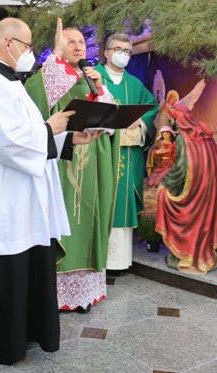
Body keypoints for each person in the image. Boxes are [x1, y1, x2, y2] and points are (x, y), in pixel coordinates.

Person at [0, 17, 100, 365]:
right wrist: (52, 126)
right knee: (5, 269)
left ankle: (22, 334)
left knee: (25, 265)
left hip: (18, 198)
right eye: (29, 46)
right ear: (9, 44)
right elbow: (7, 142)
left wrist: (67, 138)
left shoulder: (8, 81)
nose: (30, 53)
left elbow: (26, 131)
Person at [25, 20, 118, 313]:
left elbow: (111, 120)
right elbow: (36, 100)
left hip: (89, 162)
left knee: (86, 219)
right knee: (62, 220)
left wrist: (100, 89)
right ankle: (52, 291)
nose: (79, 46)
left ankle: (80, 295)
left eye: (82, 42)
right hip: (60, 161)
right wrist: (55, 61)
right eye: (71, 41)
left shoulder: (92, 77)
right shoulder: (49, 77)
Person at [95, 33, 157, 274]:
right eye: (118, 49)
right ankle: (95, 256)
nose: (123, 54)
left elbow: (151, 107)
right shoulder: (92, 78)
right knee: (100, 200)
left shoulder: (135, 84)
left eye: (127, 51)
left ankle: (119, 261)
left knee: (122, 202)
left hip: (128, 157)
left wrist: (139, 122)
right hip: (100, 153)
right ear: (107, 53)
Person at [156, 104, 217, 274]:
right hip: (210, 188)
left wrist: (164, 181)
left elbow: (180, 168)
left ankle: (186, 252)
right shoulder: (204, 133)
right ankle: (204, 254)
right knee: (203, 219)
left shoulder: (182, 138)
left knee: (164, 197)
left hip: (195, 188)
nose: (173, 123)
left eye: (173, 119)